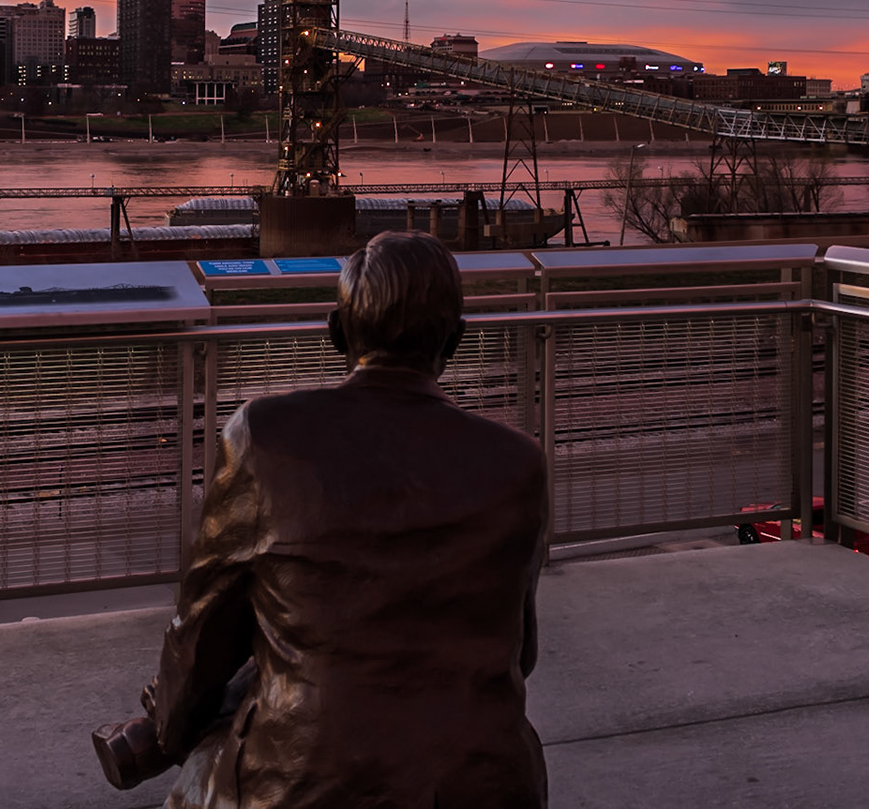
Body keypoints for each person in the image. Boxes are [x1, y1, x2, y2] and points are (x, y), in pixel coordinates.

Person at [104, 231, 551, 809]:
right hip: (486, 782)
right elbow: (521, 653)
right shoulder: (519, 462)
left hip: (304, 780)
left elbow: (202, 637)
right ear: (456, 341)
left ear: (337, 331)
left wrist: (167, 732)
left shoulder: (264, 436)